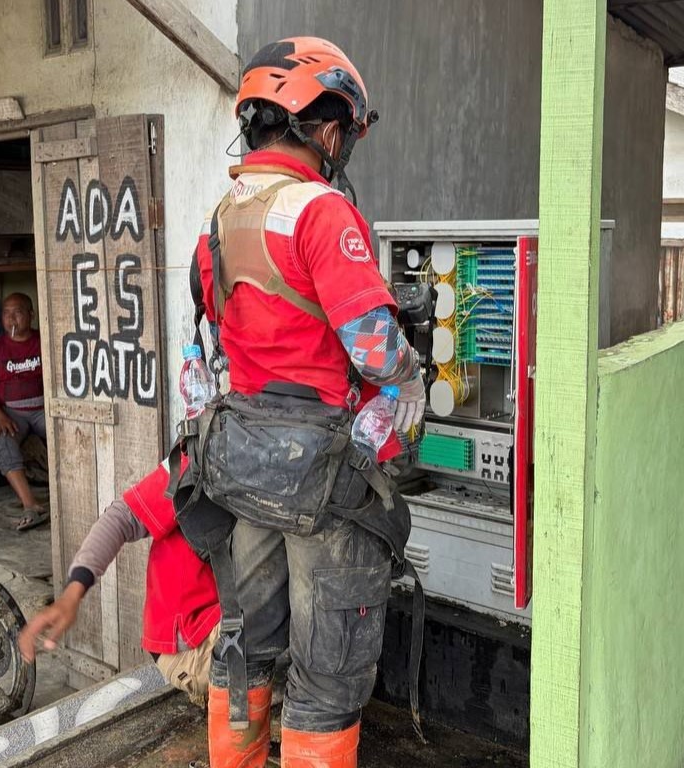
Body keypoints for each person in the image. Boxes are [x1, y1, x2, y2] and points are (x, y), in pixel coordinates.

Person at [180, 37, 426, 768]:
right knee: (328, 674)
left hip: (244, 467)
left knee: (247, 651)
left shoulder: (222, 216)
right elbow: (375, 349)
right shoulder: (321, 213)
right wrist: (410, 379)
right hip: (323, 480)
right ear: (324, 131)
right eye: (343, 132)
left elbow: (214, 326)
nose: (342, 146)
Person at [19, 455, 221, 706]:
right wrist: (71, 595)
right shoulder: (202, 452)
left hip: (220, 620)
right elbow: (122, 517)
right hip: (193, 642)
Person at [0, 293, 49, 531]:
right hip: (11, 412)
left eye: (17, 312)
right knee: (4, 440)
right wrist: (0, 416)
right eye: (6, 313)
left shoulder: (43, 341)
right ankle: (31, 505)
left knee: (69, 435)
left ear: (31, 315)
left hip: (44, 408)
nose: (11, 319)